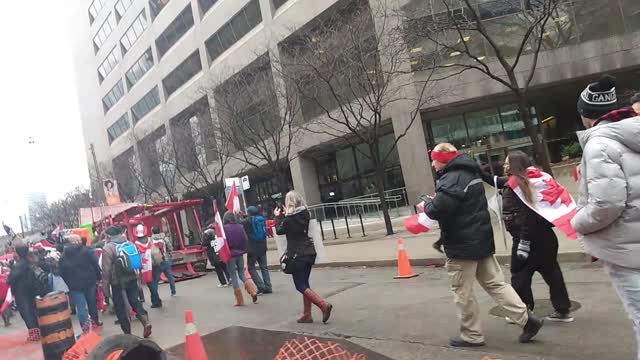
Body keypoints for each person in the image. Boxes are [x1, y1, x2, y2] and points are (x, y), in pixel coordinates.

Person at [424, 143, 543, 347]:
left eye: (434, 160)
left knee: (463, 291)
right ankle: (527, 320)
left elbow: (438, 209)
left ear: (442, 160)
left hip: (462, 246)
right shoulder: (471, 172)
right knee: (496, 284)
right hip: (481, 240)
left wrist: (427, 203)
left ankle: (471, 335)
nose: (432, 164)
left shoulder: (451, 178)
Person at [572, 75, 640, 359]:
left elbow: (606, 205)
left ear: (587, 115)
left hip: (626, 249)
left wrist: (577, 221)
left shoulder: (599, 144)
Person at [481, 151, 573, 322]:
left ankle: (524, 312)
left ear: (515, 165)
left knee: (520, 275)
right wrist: (480, 171)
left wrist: (523, 242)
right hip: (547, 237)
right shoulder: (539, 178)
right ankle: (563, 309)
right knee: (552, 272)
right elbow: (496, 181)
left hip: (526, 239)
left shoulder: (517, 185)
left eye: (508, 163)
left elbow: (526, 217)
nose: (505, 166)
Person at [275, 191, 332, 324]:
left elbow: (279, 230)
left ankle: (323, 305)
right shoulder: (305, 214)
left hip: (296, 256)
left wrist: (277, 217)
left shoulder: (288, 220)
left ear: (288, 203)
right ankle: (307, 314)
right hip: (308, 252)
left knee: (300, 285)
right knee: (305, 283)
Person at [101, 225, 152, 338]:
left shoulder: (108, 248)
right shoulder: (129, 243)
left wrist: (105, 288)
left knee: (120, 307)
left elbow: (106, 270)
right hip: (132, 278)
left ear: (109, 236)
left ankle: (128, 334)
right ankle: (145, 321)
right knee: (135, 301)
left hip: (117, 282)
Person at [59, 234, 102, 332]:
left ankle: (85, 327)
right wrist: (98, 277)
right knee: (92, 303)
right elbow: (96, 263)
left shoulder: (63, 256)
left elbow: (61, 272)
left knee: (80, 306)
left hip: (74, 286)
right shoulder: (87, 251)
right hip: (89, 281)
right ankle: (95, 321)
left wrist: (69, 282)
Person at [7, 243, 42, 341]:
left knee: (26, 313)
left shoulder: (19, 265)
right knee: (32, 311)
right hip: (31, 290)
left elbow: (10, 280)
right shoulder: (31, 261)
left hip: (21, 292)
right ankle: (38, 331)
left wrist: (10, 276)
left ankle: (34, 334)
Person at [223, 212, 259, 306]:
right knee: (242, 274)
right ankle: (253, 291)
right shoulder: (240, 226)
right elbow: (245, 239)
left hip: (230, 254)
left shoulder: (224, 228)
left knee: (233, 275)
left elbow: (222, 242)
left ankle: (239, 299)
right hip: (239, 253)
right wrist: (243, 249)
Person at [243, 206, 273, 294]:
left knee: (251, 267)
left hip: (253, 248)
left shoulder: (247, 221)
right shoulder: (261, 219)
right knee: (264, 267)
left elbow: (241, 222)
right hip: (263, 246)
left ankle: (260, 286)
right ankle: (268, 287)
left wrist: (238, 214)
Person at [134, 224, 161, 308]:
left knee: (150, 284)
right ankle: (156, 301)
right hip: (155, 263)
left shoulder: (136, 244)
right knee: (155, 283)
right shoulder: (150, 240)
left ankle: (157, 301)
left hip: (145, 267)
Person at [150, 226, 176, 297]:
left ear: (152, 232)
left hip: (156, 262)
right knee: (170, 276)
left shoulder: (150, 240)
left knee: (155, 280)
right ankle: (173, 291)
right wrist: (169, 254)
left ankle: (155, 294)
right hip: (165, 260)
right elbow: (170, 248)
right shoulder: (164, 238)